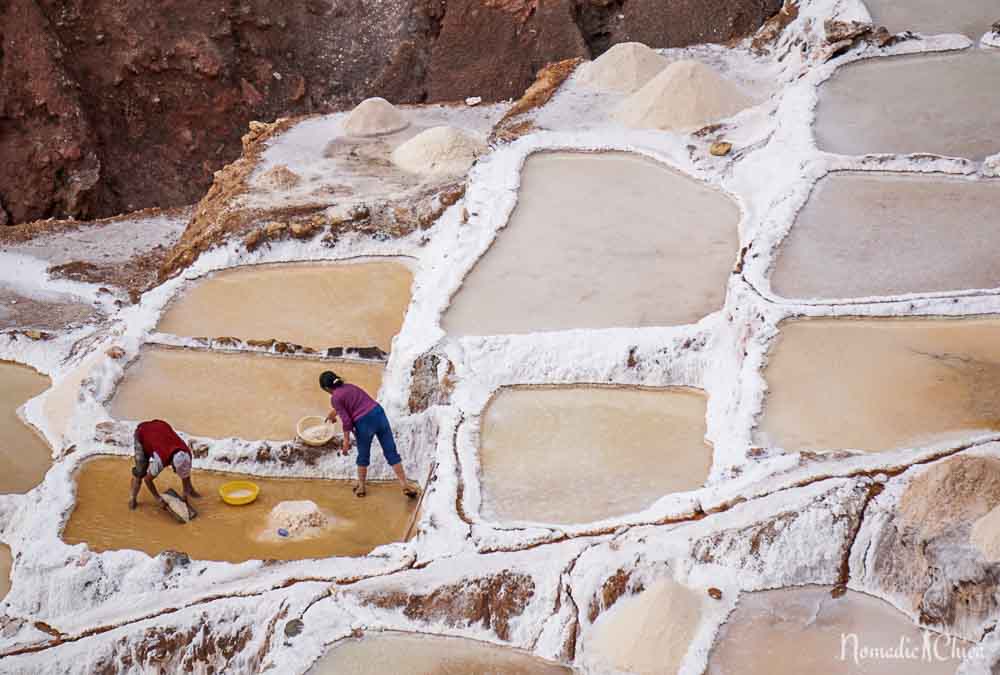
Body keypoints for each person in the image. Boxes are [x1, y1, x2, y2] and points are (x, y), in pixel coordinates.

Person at [320, 370, 417, 498]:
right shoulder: (350, 387)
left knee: (363, 455)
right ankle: (405, 484)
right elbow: (352, 402)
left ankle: (361, 487)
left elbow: (347, 421)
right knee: (391, 451)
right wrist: (335, 412)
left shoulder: (335, 398)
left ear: (326, 388)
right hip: (378, 414)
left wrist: (346, 441)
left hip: (364, 423)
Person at [129, 419, 201, 511]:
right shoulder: (161, 459)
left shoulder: (186, 453)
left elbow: (186, 474)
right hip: (143, 432)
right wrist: (158, 498)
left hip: (160, 427)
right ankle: (132, 497)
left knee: (185, 475)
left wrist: (185, 495)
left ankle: (190, 491)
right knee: (140, 471)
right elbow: (147, 480)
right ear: (172, 464)